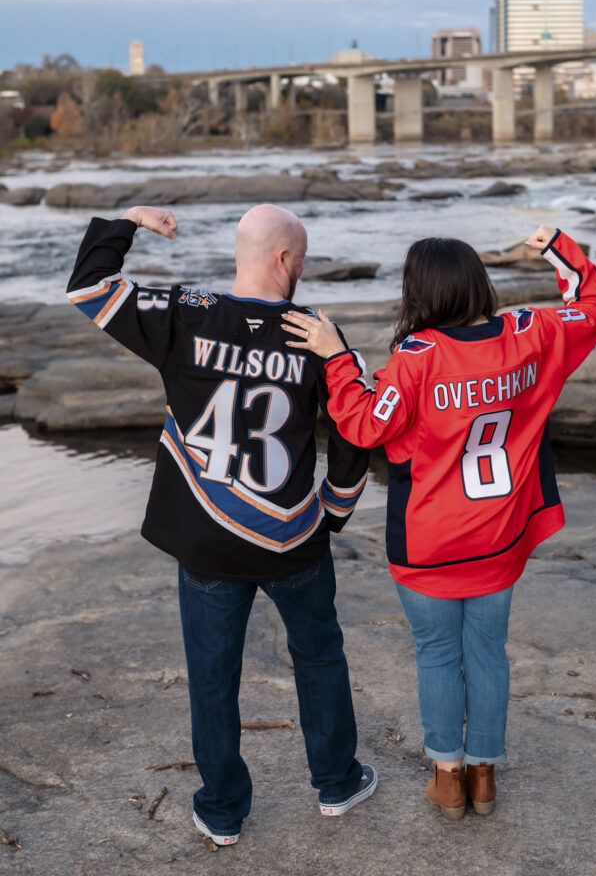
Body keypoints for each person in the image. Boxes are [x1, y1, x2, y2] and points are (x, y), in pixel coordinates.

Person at [66, 203, 376, 847]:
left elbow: (89, 286)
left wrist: (126, 221)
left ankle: (224, 809)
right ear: (286, 260)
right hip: (293, 535)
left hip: (207, 537)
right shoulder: (318, 333)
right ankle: (337, 783)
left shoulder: (186, 313)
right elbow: (353, 427)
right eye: (303, 257)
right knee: (319, 656)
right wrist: (336, 508)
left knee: (213, 674)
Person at [282, 225, 596, 820]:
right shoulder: (530, 333)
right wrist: (560, 246)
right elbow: (593, 307)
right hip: (501, 536)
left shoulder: (417, 358)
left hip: (428, 543)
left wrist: (335, 357)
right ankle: (485, 779)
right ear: (478, 284)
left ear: (418, 294)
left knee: (437, 656)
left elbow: (361, 425)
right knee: (488, 652)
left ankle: (448, 779)